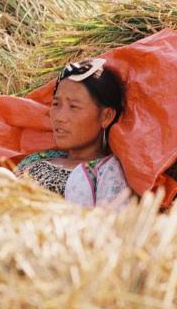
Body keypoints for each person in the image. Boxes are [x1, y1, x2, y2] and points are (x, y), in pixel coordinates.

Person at [14, 58, 133, 207]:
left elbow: (110, 225)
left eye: (74, 107)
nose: (59, 117)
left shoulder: (107, 173)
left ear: (106, 116)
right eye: (56, 104)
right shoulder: (36, 159)